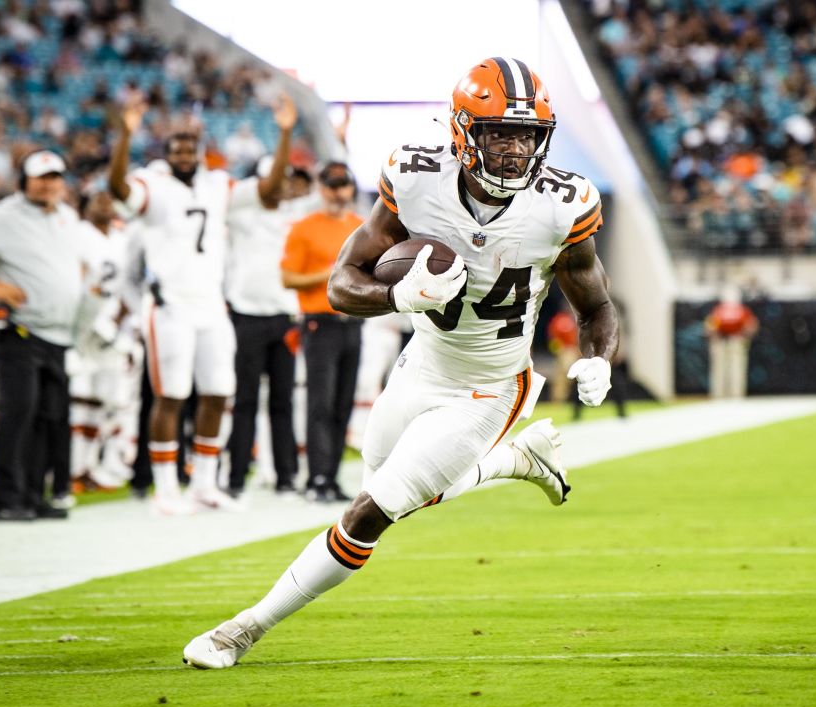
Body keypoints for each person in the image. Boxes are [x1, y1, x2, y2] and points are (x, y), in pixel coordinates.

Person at [183, 57, 618, 669]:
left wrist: (600, 359)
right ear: (465, 131)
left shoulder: (562, 203)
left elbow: (596, 302)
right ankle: (515, 461)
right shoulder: (417, 178)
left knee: (370, 512)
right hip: (421, 363)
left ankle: (241, 629)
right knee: (383, 484)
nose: (517, 150)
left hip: (491, 385)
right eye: (500, 133)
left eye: (528, 136)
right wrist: (395, 297)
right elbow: (341, 283)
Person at [108, 93, 297, 514]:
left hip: (212, 304)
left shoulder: (217, 185)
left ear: (200, 151)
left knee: (219, 392)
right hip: (170, 304)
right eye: (175, 148)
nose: (183, 153)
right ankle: (165, 488)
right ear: (165, 153)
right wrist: (125, 133)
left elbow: (268, 191)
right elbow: (117, 187)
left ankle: (205, 484)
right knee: (170, 395)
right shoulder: (152, 185)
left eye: (189, 148)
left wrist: (284, 132)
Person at [0, 150, 85, 521]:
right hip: (20, 329)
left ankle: (33, 495)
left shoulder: (66, 217)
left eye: (55, 176)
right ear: (24, 181)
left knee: (46, 417)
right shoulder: (5, 216)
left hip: (57, 332)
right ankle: (7, 498)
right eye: (40, 177)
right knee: (18, 413)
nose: (48, 183)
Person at [280, 162, 365, 502]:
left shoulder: (361, 227)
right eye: (331, 185)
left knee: (344, 404)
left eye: (343, 185)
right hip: (319, 322)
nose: (337, 192)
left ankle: (331, 477)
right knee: (321, 403)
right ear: (321, 188)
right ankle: (316, 477)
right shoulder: (304, 228)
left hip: (352, 321)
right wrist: (330, 275)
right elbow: (287, 278)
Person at [224, 156, 305, 497]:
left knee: (282, 402)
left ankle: (286, 476)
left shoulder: (296, 217)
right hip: (246, 315)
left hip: (285, 319)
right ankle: (236, 476)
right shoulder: (239, 216)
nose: (277, 186)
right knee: (244, 399)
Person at [67, 189, 137, 496]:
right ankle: (74, 467)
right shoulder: (77, 234)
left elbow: (130, 284)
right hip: (82, 324)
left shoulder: (122, 238)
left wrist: (120, 317)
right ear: (86, 205)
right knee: (80, 399)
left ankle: (98, 465)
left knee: (109, 401)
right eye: (99, 199)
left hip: (113, 326)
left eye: (110, 199)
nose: (106, 204)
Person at [704, 286, 758, 399]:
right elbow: (751, 326)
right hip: (728, 341)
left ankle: (728, 394)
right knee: (730, 368)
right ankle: (730, 394)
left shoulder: (722, 310)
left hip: (732, 341)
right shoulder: (723, 310)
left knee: (730, 368)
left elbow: (709, 328)